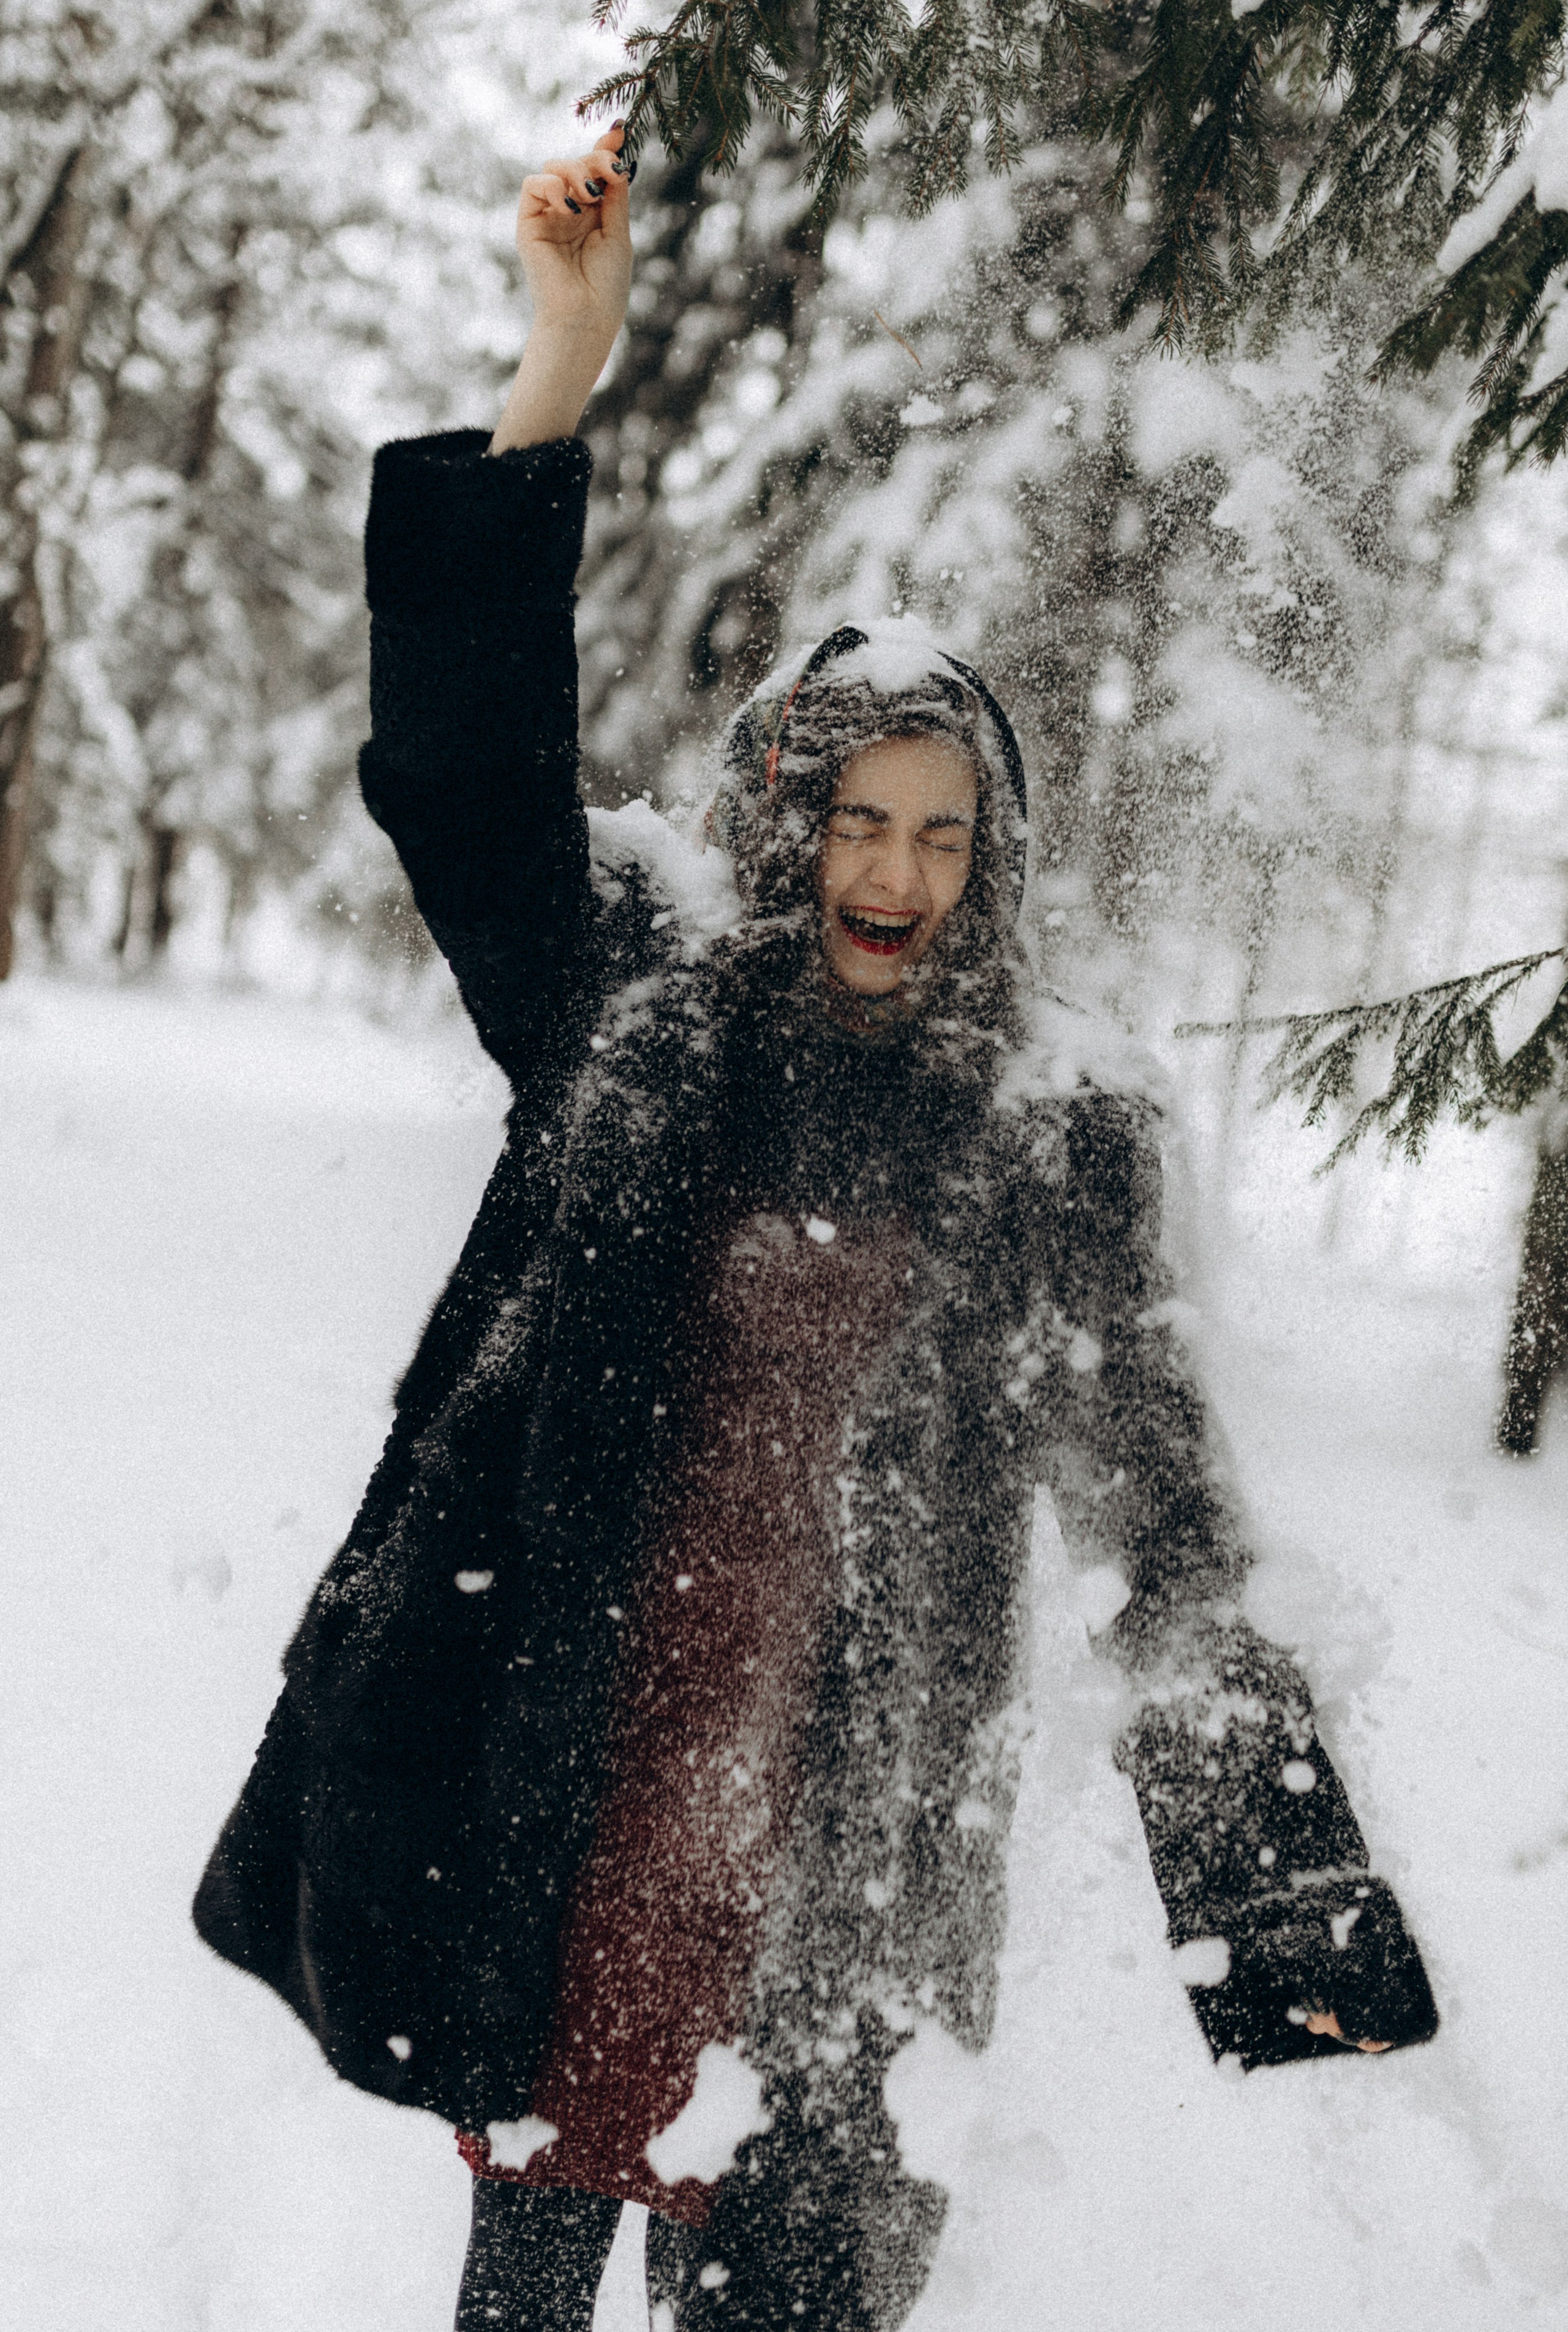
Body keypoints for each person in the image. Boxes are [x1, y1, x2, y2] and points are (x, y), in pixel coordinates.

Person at [194, 125, 1439, 2332]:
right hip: (591, 1766)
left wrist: (1285, 1928)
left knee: (786, 2283)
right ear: (788, 818)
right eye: (859, 818)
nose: (896, 874)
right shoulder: (638, 1009)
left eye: (944, 834)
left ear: (994, 859)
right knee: (527, 2273)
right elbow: (468, 785)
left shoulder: (1053, 1126)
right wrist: (555, 379)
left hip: (853, 1829)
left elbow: (1158, 1507)